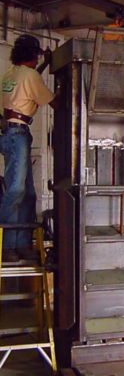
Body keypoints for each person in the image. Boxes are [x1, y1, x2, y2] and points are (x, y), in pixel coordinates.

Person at [0, 34, 59, 262]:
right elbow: (52, 101)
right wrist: (64, 89)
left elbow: (31, 81)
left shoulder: (11, 73)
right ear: (32, 56)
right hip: (18, 135)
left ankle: (22, 244)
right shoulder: (31, 76)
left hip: (9, 133)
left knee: (28, 194)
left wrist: (44, 64)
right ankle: (6, 245)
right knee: (16, 190)